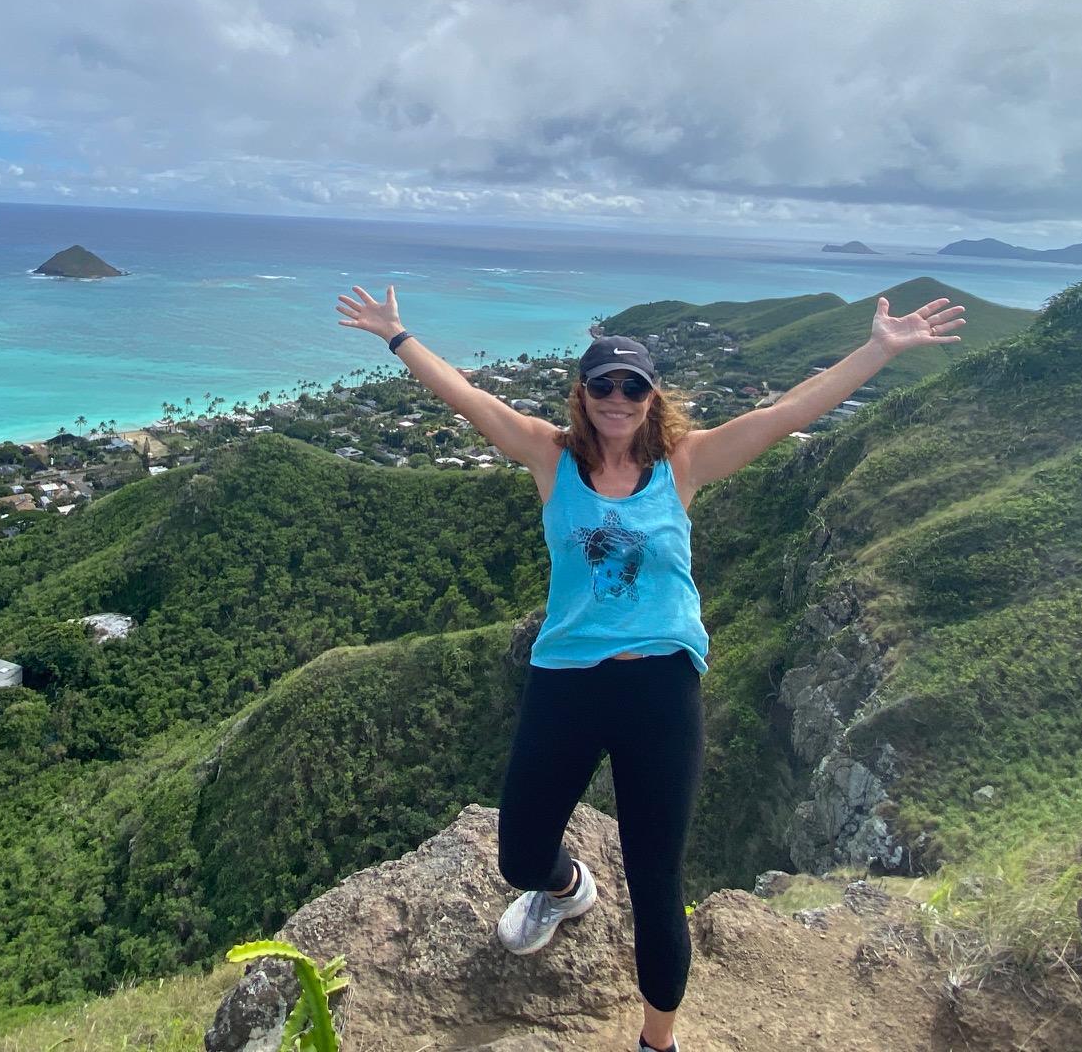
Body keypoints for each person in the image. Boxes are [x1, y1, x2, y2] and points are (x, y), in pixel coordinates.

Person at [336, 285, 964, 1052]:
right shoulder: (550, 456)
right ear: (583, 395)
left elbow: (788, 413)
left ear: (651, 396)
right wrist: (397, 336)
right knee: (520, 854)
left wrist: (878, 349)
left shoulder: (684, 464)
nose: (618, 399)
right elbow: (469, 399)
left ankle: (656, 1042)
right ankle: (566, 891)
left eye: (633, 386)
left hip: (661, 688)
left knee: (658, 882)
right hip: (566, 676)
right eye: (604, 385)